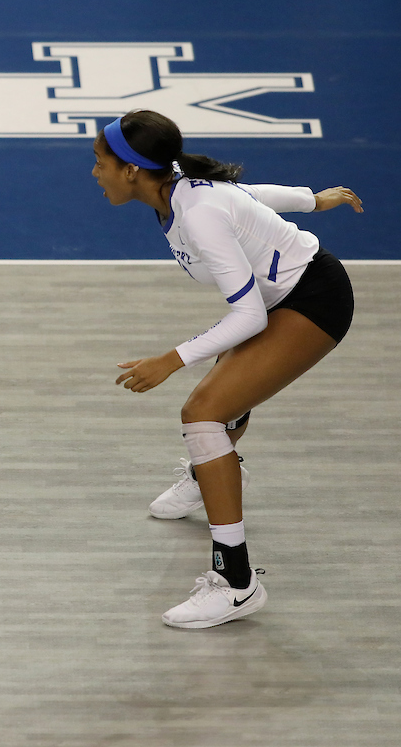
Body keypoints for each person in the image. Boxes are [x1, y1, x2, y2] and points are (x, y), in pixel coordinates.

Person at [92, 110, 360, 629]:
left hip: (313, 301)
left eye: (100, 163)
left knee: (204, 413)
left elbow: (250, 316)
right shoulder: (179, 192)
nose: (95, 173)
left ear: (131, 170)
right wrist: (310, 199)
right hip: (280, 298)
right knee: (225, 394)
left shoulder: (197, 211)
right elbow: (248, 196)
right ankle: (207, 476)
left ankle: (236, 582)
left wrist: (170, 359)